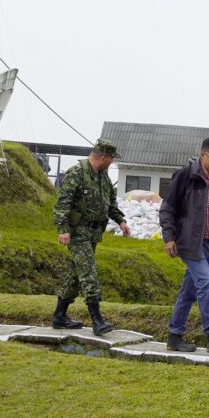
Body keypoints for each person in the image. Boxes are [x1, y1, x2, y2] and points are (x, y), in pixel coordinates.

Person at [160, 137, 209, 353]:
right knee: (206, 282)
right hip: (189, 242)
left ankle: (174, 335)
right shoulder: (186, 176)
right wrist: (169, 238)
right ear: (203, 154)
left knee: (189, 290)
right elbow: (167, 208)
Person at [52, 139, 131, 336]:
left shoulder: (104, 177)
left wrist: (121, 221)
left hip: (94, 233)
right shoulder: (77, 173)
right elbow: (62, 203)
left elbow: (110, 204)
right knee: (88, 272)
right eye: (112, 159)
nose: (112, 162)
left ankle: (59, 315)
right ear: (104, 157)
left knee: (76, 275)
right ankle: (97, 320)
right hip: (78, 232)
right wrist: (63, 229)